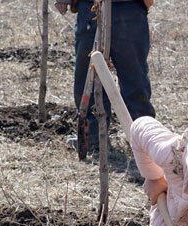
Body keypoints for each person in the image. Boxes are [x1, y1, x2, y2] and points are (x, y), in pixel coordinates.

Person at [56, 0, 156, 150]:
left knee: (133, 76)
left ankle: (144, 140)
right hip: (92, 7)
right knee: (89, 76)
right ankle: (92, 138)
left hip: (128, 7)